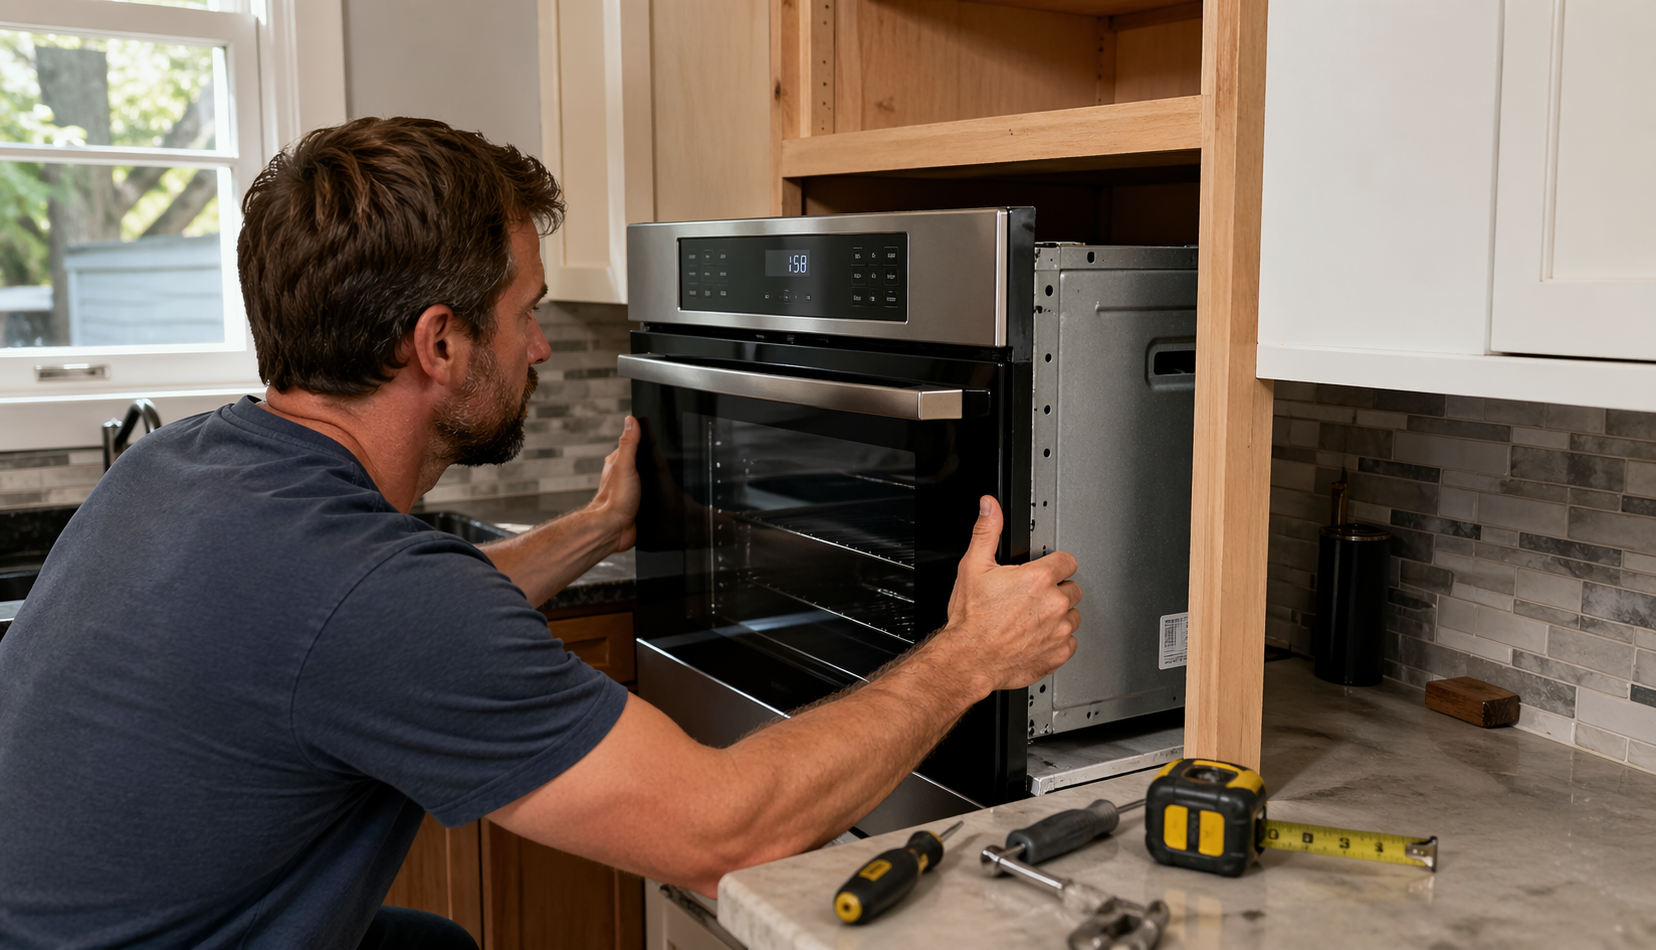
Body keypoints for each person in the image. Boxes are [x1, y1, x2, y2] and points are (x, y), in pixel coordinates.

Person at [0, 117, 1081, 950]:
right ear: (439, 343)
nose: (542, 351)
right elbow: (727, 829)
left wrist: (598, 525)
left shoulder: (182, 465)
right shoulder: (371, 594)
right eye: (527, 313)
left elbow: (372, 638)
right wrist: (972, 652)